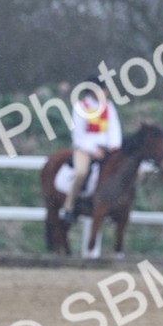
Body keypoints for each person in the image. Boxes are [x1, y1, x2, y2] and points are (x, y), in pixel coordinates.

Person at [60, 76, 122, 223]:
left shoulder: (109, 106)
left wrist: (114, 146)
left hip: (106, 148)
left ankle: (113, 206)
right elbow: (78, 134)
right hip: (84, 148)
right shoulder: (81, 107)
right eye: (103, 89)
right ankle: (69, 206)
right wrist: (92, 150)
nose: (105, 92)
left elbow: (114, 129)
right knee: (81, 173)